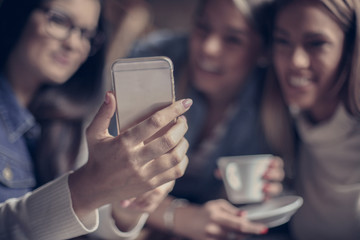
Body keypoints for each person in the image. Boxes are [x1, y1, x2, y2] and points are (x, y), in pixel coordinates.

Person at [0, 0, 192, 239]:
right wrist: (88, 188)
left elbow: (83, 222)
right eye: (59, 20)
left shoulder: (66, 119)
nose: (73, 44)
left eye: (86, 34)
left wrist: (127, 208)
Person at [122, 0, 285, 239]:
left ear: (263, 50)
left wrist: (260, 192)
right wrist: (178, 216)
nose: (208, 47)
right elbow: (106, 178)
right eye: (203, 27)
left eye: (233, 39)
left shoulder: (275, 100)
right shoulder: (152, 60)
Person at [261, 0, 360, 239]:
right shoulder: (286, 123)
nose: (296, 61)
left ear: (349, 50)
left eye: (316, 43)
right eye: (283, 41)